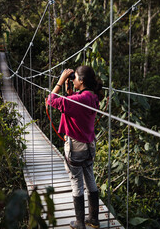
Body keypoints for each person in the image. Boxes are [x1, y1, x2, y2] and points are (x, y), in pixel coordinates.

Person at [46, 65, 104, 229]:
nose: (74, 80)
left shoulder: (79, 100)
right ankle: (93, 219)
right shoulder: (91, 97)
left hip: (75, 147)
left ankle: (79, 222)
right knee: (90, 178)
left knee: (76, 182)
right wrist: (69, 90)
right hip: (89, 145)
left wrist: (60, 81)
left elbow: (51, 100)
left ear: (82, 81)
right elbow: (76, 105)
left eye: (75, 78)